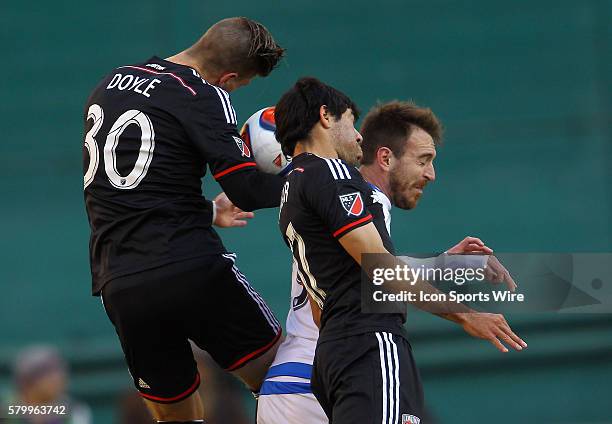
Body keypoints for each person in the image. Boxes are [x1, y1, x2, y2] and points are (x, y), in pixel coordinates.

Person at [272, 77, 526, 423]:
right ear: (326, 117)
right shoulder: (339, 177)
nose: (358, 136)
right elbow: (381, 270)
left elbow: (352, 277)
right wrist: (468, 314)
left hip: (320, 360)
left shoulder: (293, 186)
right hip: (363, 347)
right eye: (423, 160)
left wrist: (443, 264)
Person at [82, 17, 286, 423]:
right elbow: (245, 188)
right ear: (229, 76)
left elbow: (126, 189)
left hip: (120, 282)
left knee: (178, 419)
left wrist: (209, 210)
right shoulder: (202, 92)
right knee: (286, 377)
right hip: (189, 267)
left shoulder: (110, 83)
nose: (233, 91)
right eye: (238, 85)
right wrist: (310, 178)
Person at [2, 346, 91, 424]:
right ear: (29, 381)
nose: (60, 382)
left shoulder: (73, 410)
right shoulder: (5, 408)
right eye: (50, 377)